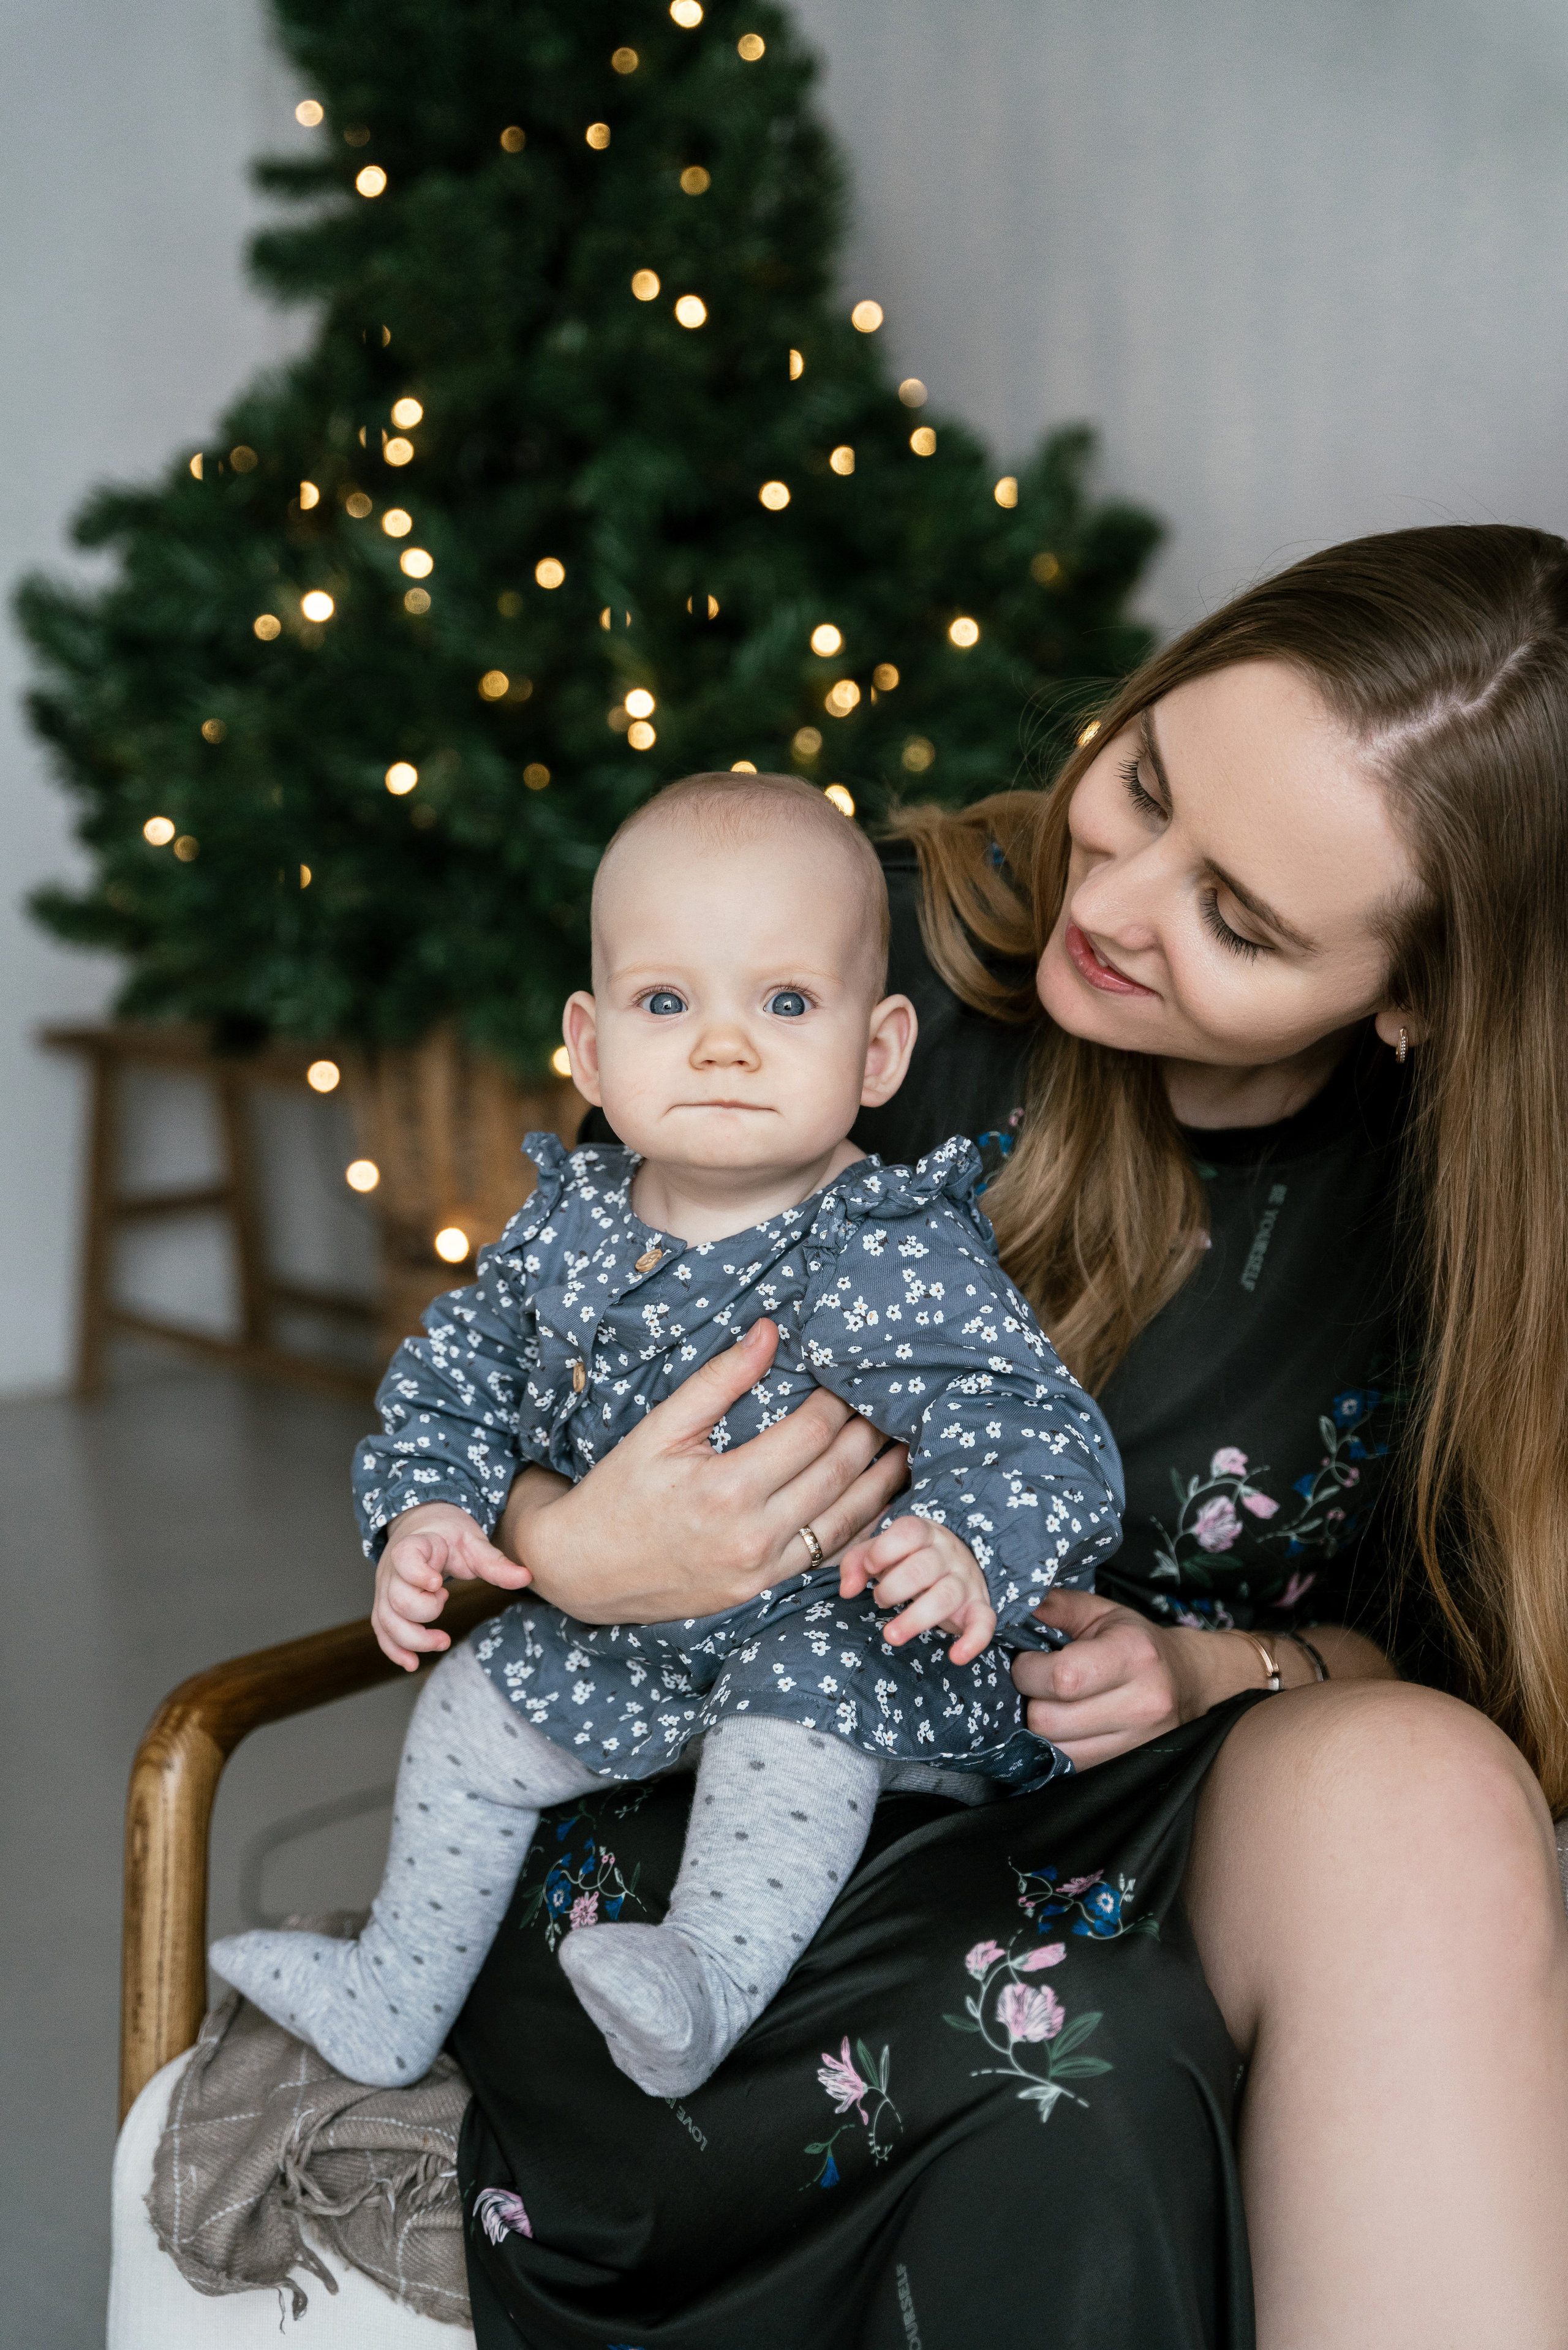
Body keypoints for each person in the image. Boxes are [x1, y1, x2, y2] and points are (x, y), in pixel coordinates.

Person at [452, 526, 1568, 2348]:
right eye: (1141, 785)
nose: (1116, 901)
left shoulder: (1467, 1200)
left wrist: (1222, 1664)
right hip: (724, 1798)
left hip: (1115, 1807)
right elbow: (498, 1360)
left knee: (1427, 1789)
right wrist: (570, 1543)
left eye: (1243, 920)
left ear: (1419, 998)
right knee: (1086, 2061)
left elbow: (1481, 1681)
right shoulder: (846, 940)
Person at [209, 773, 1122, 2101]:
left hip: (848, 1642)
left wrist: (963, 1543)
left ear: (877, 1053)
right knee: (469, 1707)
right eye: (664, 1002)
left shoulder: (887, 1246)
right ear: (587, 1047)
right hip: (633, 1633)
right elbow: (452, 1377)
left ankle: (700, 1974)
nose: (722, 1045)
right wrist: (424, 1514)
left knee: (796, 1710)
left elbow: (1034, 1425)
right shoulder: (564, 1225)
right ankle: (389, 1993)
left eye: (785, 1002)